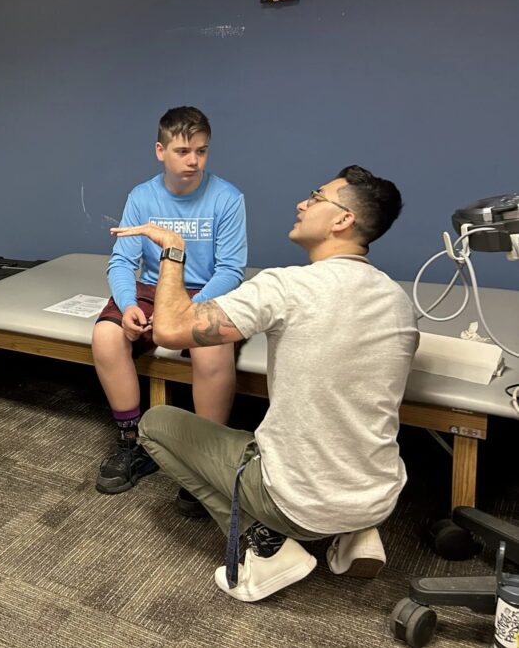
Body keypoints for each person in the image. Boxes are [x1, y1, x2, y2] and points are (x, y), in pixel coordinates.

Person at [116, 166, 418, 602]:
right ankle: (357, 533)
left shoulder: (286, 286)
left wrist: (174, 252)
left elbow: (167, 330)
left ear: (342, 220)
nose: (302, 203)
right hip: (378, 493)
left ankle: (267, 547)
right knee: (303, 432)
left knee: (156, 424)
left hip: (301, 501)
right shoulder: (397, 300)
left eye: (316, 197)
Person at [92, 106, 247, 518]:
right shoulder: (142, 197)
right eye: (182, 151)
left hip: (206, 290)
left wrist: (182, 313)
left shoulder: (227, 198)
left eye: (201, 150)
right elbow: (122, 262)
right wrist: (127, 307)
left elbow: (231, 269)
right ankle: (132, 443)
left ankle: (205, 461)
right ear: (161, 151)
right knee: (106, 336)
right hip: (152, 287)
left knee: (211, 347)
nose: (193, 160)